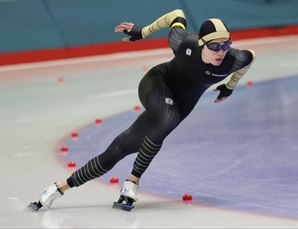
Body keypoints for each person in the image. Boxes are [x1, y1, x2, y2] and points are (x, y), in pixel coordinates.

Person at [29, 9, 256, 210]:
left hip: (183, 104)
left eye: (226, 44)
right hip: (157, 84)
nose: (221, 50)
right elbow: (176, 14)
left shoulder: (235, 58)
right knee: (168, 118)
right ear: (200, 44)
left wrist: (229, 86)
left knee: (118, 149)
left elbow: (251, 57)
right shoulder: (184, 43)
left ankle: (58, 188)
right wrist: (142, 31)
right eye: (214, 45)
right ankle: (132, 182)